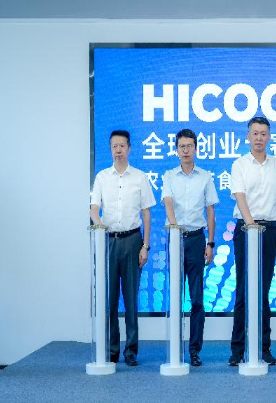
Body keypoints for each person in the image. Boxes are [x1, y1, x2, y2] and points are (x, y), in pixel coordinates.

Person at [90, 130, 156, 367]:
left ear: (129, 148)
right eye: (114, 146)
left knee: (130, 299)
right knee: (109, 301)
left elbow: (146, 214)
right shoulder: (102, 177)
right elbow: (93, 209)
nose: (118, 150)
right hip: (108, 242)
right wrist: (99, 226)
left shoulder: (139, 177)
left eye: (122, 146)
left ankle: (131, 351)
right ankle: (112, 349)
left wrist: (145, 246)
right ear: (111, 149)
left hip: (132, 241)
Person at [228, 116, 276, 366]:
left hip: (270, 231)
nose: (259, 138)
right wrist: (251, 225)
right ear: (248, 136)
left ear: (269, 137)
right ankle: (238, 349)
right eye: (255, 133)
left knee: (263, 291)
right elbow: (240, 197)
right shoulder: (240, 165)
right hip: (246, 230)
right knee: (244, 289)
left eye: (263, 133)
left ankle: (264, 347)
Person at [161, 129, 219, 367]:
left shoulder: (205, 177)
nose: (185, 150)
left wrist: (210, 243)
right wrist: (175, 227)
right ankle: (176, 348)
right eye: (181, 146)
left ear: (195, 148)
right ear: (176, 150)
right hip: (176, 239)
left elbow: (210, 211)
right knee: (175, 297)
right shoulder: (169, 176)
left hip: (196, 240)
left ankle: (194, 350)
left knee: (196, 299)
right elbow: (168, 203)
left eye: (189, 146)